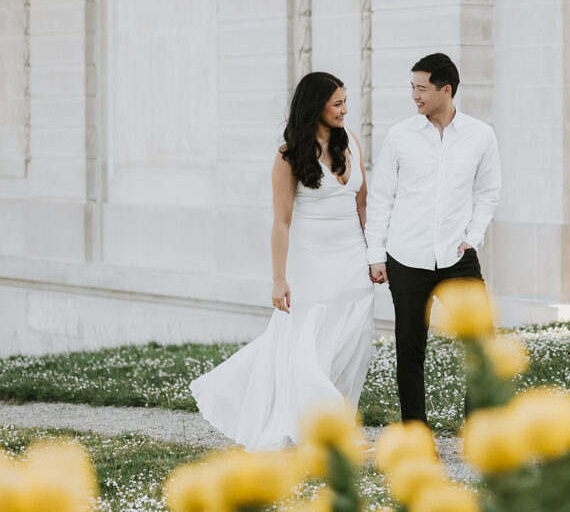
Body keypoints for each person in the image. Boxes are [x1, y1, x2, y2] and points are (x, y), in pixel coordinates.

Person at [190, 72, 375, 451]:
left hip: (353, 260)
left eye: (345, 101)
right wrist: (278, 278)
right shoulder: (288, 155)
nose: (345, 109)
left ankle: (334, 424)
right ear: (315, 107)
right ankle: (323, 429)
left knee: (352, 343)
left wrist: (375, 255)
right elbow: (282, 221)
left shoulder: (352, 144)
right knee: (309, 348)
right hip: (311, 264)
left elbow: (363, 205)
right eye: (337, 103)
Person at [365, 52, 501, 424]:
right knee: (410, 350)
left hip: (458, 257)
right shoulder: (400, 136)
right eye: (412, 88)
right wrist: (376, 254)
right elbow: (381, 199)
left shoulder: (480, 135)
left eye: (421, 88)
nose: (415, 96)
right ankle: (416, 434)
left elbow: (488, 191)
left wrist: (473, 236)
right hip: (406, 257)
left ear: (446, 89)